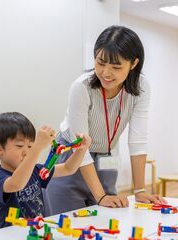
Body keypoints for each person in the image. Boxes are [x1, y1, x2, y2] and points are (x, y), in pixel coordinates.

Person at [45, 25, 166, 215]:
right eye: (100, 62)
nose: (106, 73)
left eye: (116, 67)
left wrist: (140, 190)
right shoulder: (82, 87)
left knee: (106, 220)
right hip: (71, 156)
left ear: (133, 64)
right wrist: (100, 196)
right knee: (67, 226)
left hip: (106, 157)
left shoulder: (141, 87)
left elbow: (138, 140)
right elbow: (79, 146)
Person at [0, 112, 91, 228]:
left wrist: (82, 149)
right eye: (19, 146)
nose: (26, 152)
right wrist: (37, 147)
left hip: (37, 233)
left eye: (30, 146)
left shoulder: (35, 170)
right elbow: (17, 183)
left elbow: (68, 168)